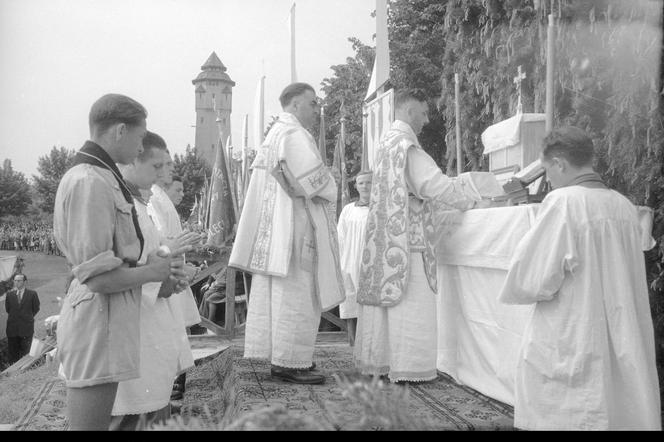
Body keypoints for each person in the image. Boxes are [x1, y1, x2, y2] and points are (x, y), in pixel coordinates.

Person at [497, 126, 661, 430]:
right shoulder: (623, 205)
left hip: (577, 328)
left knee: (575, 408)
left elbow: (532, 276)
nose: (549, 178)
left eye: (547, 170)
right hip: (622, 327)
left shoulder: (565, 203)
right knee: (619, 404)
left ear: (559, 163)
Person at [53, 94, 188, 431]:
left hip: (108, 321)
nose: (141, 147)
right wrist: (154, 271)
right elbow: (96, 277)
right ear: (120, 131)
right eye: (140, 138)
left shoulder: (102, 177)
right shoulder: (89, 181)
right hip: (96, 322)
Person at [355, 88, 479, 383]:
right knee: (412, 304)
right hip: (408, 240)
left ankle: (383, 362)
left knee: (390, 306)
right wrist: (472, 200)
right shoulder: (406, 145)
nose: (426, 120)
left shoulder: (385, 142)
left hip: (385, 235)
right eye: (423, 113)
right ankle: (410, 367)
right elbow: (433, 185)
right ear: (409, 112)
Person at [229, 82, 345, 385]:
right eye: (312, 103)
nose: (316, 109)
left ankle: (283, 357)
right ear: (294, 105)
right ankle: (290, 363)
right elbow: (319, 183)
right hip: (295, 232)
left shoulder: (274, 135)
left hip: (276, 235)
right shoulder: (294, 134)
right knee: (298, 296)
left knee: (279, 297)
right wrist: (332, 185)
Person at [110, 131, 199, 430]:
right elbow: (136, 262)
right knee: (133, 410)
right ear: (133, 160)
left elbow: (154, 255)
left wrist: (175, 275)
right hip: (133, 323)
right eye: (156, 167)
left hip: (151, 319)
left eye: (165, 166)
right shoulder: (126, 206)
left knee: (153, 403)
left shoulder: (141, 204)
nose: (163, 174)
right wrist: (168, 258)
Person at [148, 152, 201, 402]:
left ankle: (173, 384)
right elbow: (160, 242)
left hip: (173, 271)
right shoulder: (153, 201)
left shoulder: (161, 201)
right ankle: (168, 386)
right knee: (168, 333)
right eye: (165, 165)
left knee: (176, 331)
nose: (181, 195)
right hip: (162, 274)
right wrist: (178, 263)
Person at [337, 171, 372, 346]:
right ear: (356, 186)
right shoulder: (348, 210)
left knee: (372, 306)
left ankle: (373, 349)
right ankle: (354, 347)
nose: (365, 186)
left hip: (371, 262)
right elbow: (340, 237)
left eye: (369, 182)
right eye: (361, 183)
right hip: (349, 261)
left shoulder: (380, 209)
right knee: (351, 303)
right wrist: (340, 262)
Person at [4, 273, 40, 363]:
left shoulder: (32, 294)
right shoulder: (9, 295)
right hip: (12, 329)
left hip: (26, 328)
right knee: (13, 353)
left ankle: (24, 371)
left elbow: (36, 308)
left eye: (19, 281)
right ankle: (12, 374)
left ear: (25, 282)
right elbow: (8, 309)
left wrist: (27, 317)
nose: (16, 283)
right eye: (15, 281)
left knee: (26, 352)